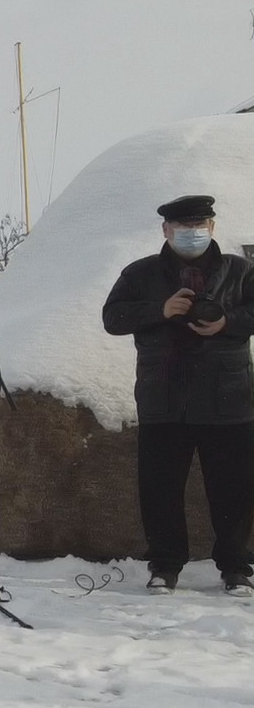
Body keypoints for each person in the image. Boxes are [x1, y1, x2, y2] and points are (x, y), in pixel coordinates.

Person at [102, 193, 254, 597]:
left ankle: (236, 568)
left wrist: (227, 321)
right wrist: (160, 310)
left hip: (227, 398)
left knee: (234, 489)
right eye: (183, 227)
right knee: (160, 489)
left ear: (212, 227)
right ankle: (165, 566)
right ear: (166, 231)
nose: (192, 233)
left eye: (199, 226)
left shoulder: (240, 271)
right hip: (164, 398)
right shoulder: (141, 273)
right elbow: (112, 317)